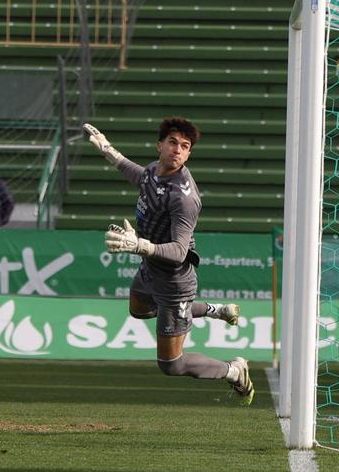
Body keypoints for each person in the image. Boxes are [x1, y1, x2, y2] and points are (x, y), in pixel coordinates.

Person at [82, 119, 253, 405]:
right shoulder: (154, 170)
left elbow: (178, 251)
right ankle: (216, 309)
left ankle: (235, 371)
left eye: (184, 147)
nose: (177, 150)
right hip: (150, 268)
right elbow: (142, 177)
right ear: (159, 145)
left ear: (188, 155)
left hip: (174, 281)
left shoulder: (184, 198)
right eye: (173, 142)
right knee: (139, 310)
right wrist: (109, 152)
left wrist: (139, 245)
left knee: (171, 364)